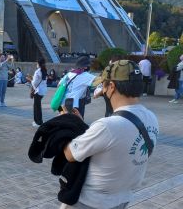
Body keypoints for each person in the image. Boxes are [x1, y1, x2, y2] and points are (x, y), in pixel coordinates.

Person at [61, 60, 159, 209]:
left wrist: (66, 124)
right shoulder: (151, 117)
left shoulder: (107, 126)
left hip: (90, 202)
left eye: (104, 85)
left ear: (111, 86)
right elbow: (114, 145)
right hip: (122, 198)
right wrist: (85, 127)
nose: (103, 90)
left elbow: (70, 154)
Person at [28, 59, 48, 127]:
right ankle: (39, 121)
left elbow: (35, 83)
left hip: (38, 91)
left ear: (38, 64)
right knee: (38, 106)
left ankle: (38, 122)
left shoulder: (38, 71)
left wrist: (30, 80)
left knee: (36, 107)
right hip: (43, 91)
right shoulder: (44, 70)